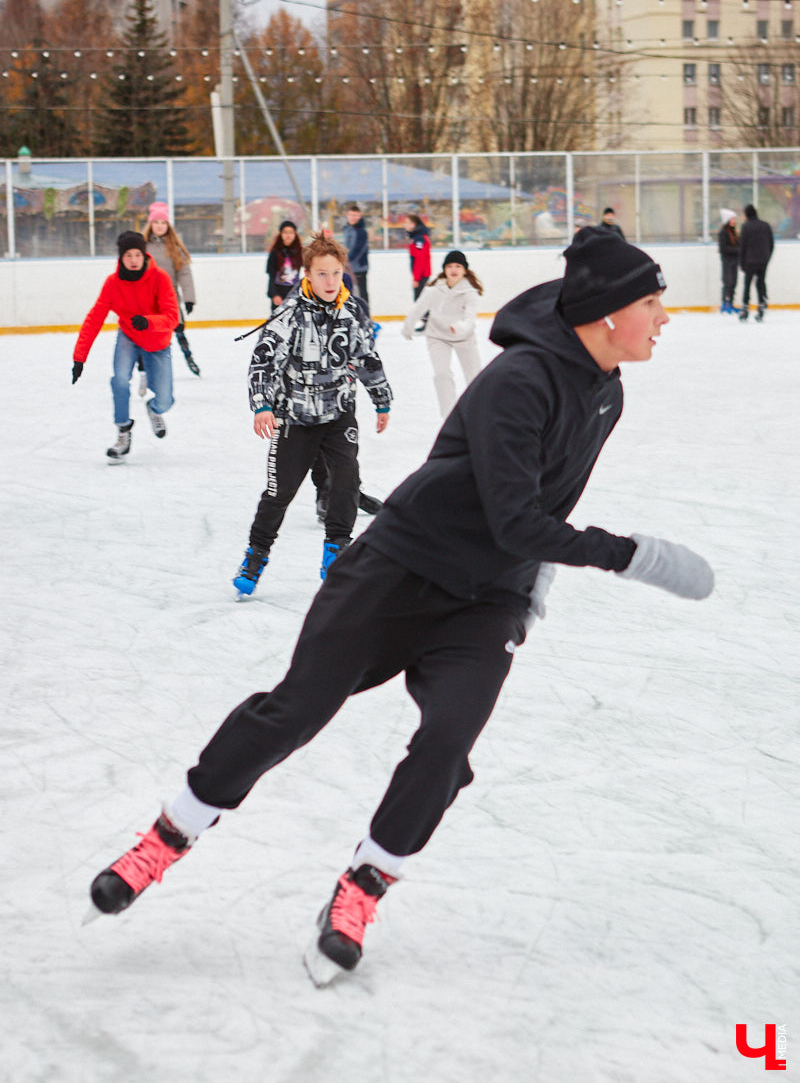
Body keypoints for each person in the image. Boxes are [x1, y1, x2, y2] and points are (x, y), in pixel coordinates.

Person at [89, 232, 715, 984]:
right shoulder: (521, 381)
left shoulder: (606, 391)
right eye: (653, 303)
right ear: (609, 315)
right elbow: (518, 519)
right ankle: (170, 833)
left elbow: (545, 506)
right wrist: (632, 554)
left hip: (485, 602)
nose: (663, 317)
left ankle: (365, 883)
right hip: (399, 569)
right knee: (298, 708)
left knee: (448, 741)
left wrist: (532, 584)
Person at [231, 231, 392, 595]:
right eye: (322, 274)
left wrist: (381, 399)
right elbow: (263, 361)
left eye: (335, 273)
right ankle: (256, 555)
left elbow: (366, 358)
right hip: (296, 419)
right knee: (279, 492)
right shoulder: (289, 314)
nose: (330, 281)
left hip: (338, 412)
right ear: (307, 275)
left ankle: (336, 550)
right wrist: (262, 404)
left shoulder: (352, 311)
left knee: (347, 480)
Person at [71, 231, 179, 461]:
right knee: (119, 380)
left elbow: (172, 317)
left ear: (144, 255)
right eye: (128, 255)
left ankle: (154, 409)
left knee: (166, 399)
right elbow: (94, 319)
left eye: (137, 254)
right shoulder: (113, 283)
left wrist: (149, 321)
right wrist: (79, 358)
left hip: (157, 341)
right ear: (121, 257)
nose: (133, 259)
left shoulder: (160, 278)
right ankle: (123, 432)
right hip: (129, 337)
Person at [401, 249, 483, 418]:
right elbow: (419, 307)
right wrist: (408, 326)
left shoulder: (470, 293)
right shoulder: (434, 289)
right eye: (450, 266)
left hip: (464, 338)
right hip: (437, 336)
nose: (454, 269)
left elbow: (470, 320)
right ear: (444, 269)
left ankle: (478, 412)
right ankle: (449, 415)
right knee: (442, 374)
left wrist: (459, 327)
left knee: (474, 377)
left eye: (458, 266)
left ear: (465, 270)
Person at [144, 202, 200, 376]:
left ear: (168, 225)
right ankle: (146, 366)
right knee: (149, 334)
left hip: (170, 298)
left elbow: (184, 273)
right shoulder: (142, 246)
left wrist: (189, 298)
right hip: (147, 298)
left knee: (179, 329)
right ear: (150, 225)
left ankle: (189, 357)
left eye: (163, 222)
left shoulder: (174, 248)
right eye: (156, 222)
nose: (159, 226)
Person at [738, 203, 773, 322]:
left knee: (747, 284)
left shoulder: (746, 227)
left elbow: (742, 246)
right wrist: (767, 258)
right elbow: (771, 243)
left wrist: (741, 263)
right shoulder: (766, 225)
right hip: (763, 260)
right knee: (761, 282)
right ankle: (762, 304)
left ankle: (745, 307)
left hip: (750, 260)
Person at [266, 220, 304, 310]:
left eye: (291, 232)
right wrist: (274, 294)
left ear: (295, 234)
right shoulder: (275, 252)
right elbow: (271, 275)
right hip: (279, 292)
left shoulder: (299, 252)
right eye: (285, 232)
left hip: (294, 293)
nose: (288, 235)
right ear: (281, 234)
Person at [341, 203, 370, 311]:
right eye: (351, 215)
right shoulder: (347, 229)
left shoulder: (361, 231)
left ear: (359, 216)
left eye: (355, 215)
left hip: (359, 267)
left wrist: (345, 260)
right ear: (347, 215)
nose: (353, 218)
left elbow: (357, 249)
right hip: (348, 268)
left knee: (361, 292)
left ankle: (366, 316)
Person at [402, 213, 432, 302]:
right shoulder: (416, 237)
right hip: (421, 274)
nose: (405, 225)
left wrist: (416, 279)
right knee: (420, 300)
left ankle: (424, 316)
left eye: (407, 222)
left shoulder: (419, 239)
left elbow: (419, 259)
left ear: (413, 224)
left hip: (422, 274)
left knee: (419, 301)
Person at [717, 208, 740, 314]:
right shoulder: (723, 233)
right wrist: (737, 250)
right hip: (727, 261)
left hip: (734, 261)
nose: (734, 221)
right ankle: (725, 304)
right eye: (732, 219)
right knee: (728, 282)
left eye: (734, 219)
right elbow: (723, 248)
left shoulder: (733, 232)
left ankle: (730, 302)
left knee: (734, 282)